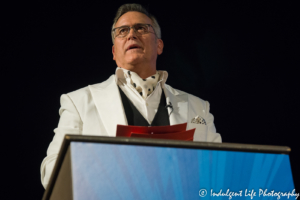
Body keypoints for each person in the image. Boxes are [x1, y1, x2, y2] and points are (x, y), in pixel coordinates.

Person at [40, 3, 221, 189]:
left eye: (141, 28)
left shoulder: (198, 107)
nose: (131, 34)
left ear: (159, 45)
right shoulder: (79, 102)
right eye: (122, 31)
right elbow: (51, 172)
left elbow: (219, 170)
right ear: (114, 52)